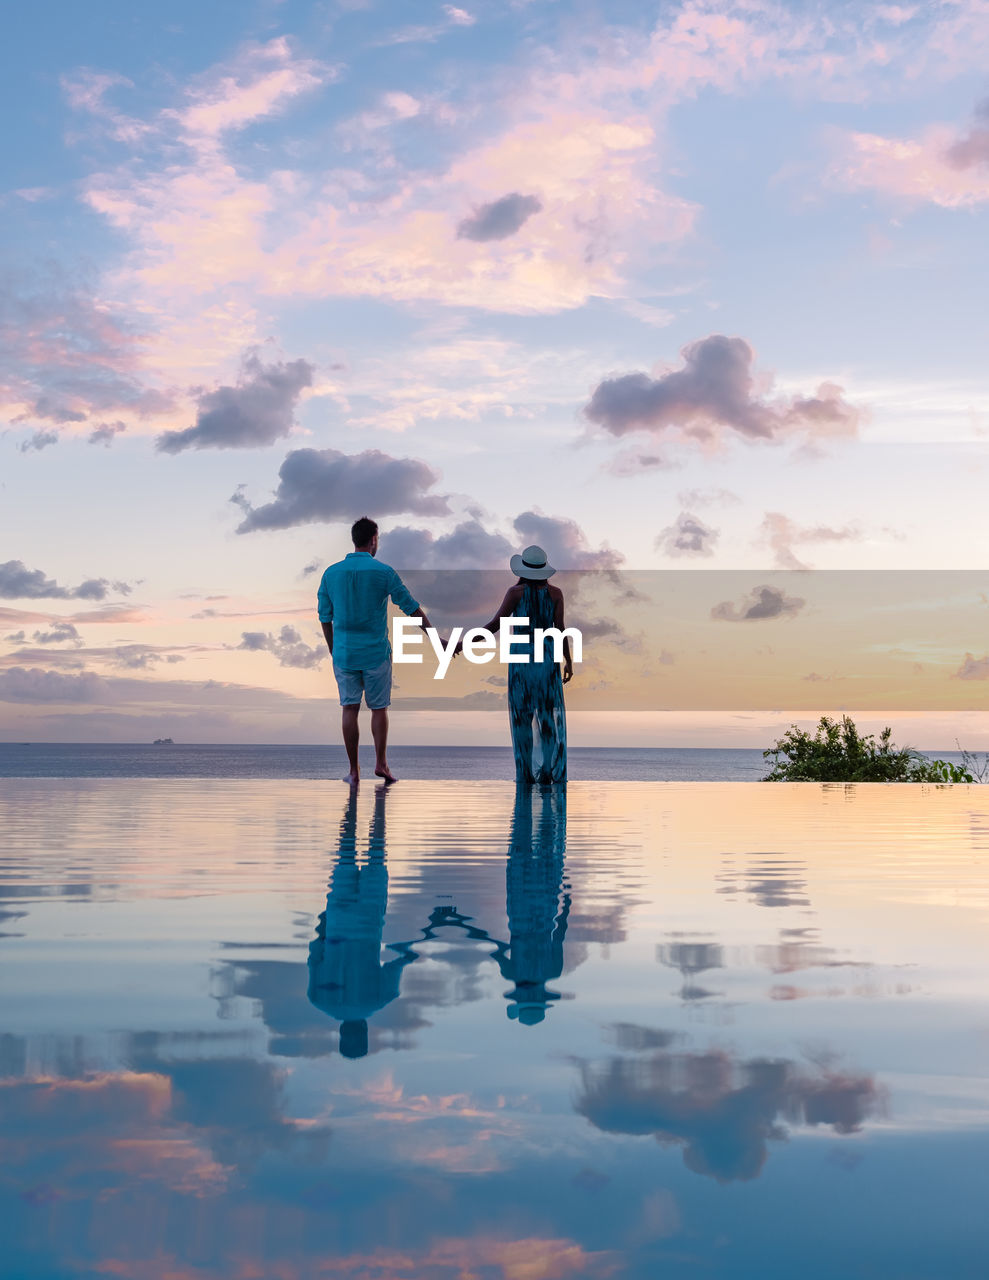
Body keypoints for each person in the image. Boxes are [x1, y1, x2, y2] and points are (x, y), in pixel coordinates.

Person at [317, 517, 440, 785]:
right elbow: (411, 607)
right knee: (379, 709)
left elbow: (324, 617)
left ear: (354, 539)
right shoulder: (383, 572)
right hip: (375, 653)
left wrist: (333, 649)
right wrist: (436, 639)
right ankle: (381, 764)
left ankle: (353, 771)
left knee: (349, 709)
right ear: (373, 539)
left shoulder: (330, 573)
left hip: (345, 653)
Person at [478, 544, 572, 785]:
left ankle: (527, 774)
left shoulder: (515, 593)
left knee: (523, 717)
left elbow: (493, 625)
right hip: (548, 659)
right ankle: (549, 771)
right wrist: (568, 660)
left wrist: (462, 643)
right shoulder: (556, 594)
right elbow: (560, 630)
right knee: (547, 716)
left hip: (522, 660)